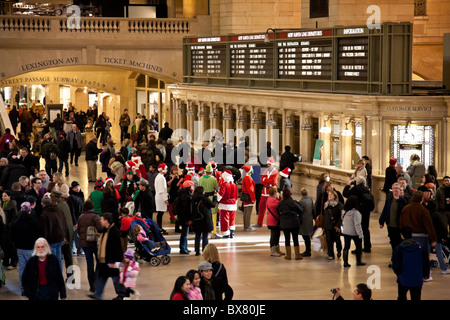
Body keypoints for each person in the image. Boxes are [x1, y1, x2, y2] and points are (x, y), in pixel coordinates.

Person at [400, 190, 437, 281]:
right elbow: (429, 226)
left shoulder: (406, 208)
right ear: (422, 199)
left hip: (409, 237)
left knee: (410, 257)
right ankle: (424, 276)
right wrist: (433, 239)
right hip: (421, 237)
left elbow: (401, 223)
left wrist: (403, 234)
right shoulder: (423, 210)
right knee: (423, 257)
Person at [88, 212, 125, 300]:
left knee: (116, 278)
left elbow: (117, 248)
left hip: (111, 260)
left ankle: (121, 294)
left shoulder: (113, 232)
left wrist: (117, 261)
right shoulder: (105, 230)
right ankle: (98, 294)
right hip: (104, 260)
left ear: (106, 221)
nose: (100, 221)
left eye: (101, 219)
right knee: (101, 277)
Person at [392, 226, 430, 301]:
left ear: (401, 235)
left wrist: (398, 273)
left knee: (402, 297)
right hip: (417, 279)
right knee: (416, 297)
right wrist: (426, 274)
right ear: (411, 234)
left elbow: (396, 264)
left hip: (403, 279)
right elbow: (426, 262)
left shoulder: (399, 248)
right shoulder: (420, 247)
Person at [11, 201, 40, 295]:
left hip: (20, 248)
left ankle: (23, 288)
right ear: (29, 210)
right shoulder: (33, 221)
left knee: (22, 268)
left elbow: (12, 235)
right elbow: (38, 234)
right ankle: (32, 288)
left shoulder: (16, 221)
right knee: (32, 268)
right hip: (31, 248)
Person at [418, 185, 449, 274]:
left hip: (428, 235)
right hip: (437, 237)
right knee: (439, 254)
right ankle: (443, 268)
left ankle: (427, 268)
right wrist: (444, 236)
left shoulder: (426, 214)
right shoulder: (437, 215)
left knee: (426, 253)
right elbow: (442, 227)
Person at [379, 183, 409, 264]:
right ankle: (394, 260)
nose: (395, 190)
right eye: (394, 188)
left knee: (399, 243)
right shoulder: (389, 200)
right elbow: (385, 211)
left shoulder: (403, 201)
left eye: (397, 188)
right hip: (390, 226)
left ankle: (398, 260)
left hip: (399, 227)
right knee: (393, 243)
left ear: (400, 191)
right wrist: (381, 221)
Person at [343, 176, 374, 253]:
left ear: (357, 182)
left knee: (358, 228)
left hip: (359, 211)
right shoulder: (367, 189)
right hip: (366, 211)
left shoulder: (356, 188)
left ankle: (358, 248)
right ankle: (367, 246)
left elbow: (345, 194)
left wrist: (348, 185)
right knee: (365, 228)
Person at [77, 199, 102, 293]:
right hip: (94, 242)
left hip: (84, 243)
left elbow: (79, 231)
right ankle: (95, 280)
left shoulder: (81, 217)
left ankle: (91, 284)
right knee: (99, 261)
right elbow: (100, 228)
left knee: (89, 263)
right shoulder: (95, 216)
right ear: (92, 207)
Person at [39, 195, 67, 268]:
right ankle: (59, 277)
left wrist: (43, 241)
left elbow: (44, 230)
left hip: (51, 239)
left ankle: (53, 277)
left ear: (43, 204)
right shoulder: (59, 211)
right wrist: (64, 236)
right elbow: (64, 223)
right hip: (60, 237)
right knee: (59, 259)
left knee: (52, 260)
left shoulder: (44, 214)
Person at [191, 186, 218, 256]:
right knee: (205, 236)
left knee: (197, 235)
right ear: (202, 192)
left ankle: (197, 251)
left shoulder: (193, 198)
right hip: (204, 219)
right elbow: (213, 205)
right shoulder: (204, 199)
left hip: (196, 219)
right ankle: (204, 250)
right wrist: (215, 197)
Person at [277, 189, 303, 260]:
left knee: (287, 239)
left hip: (285, 223)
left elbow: (278, 210)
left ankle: (288, 255)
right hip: (294, 222)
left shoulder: (281, 203)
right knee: (295, 239)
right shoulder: (294, 202)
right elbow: (300, 209)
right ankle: (297, 255)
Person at [341, 195, 365, 268]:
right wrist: (360, 234)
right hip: (354, 233)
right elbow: (357, 225)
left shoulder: (344, 211)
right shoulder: (356, 213)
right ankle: (358, 261)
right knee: (358, 247)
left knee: (346, 247)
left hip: (346, 231)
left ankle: (345, 262)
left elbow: (342, 220)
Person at [255, 157, 278, 228]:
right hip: (264, 191)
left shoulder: (275, 172)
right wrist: (268, 180)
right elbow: (262, 180)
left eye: (269, 164)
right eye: (267, 164)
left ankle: (273, 223)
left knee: (272, 208)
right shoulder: (265, 170)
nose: (268, 165)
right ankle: (259, 223)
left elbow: (273, 181)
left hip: (271, 191)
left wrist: (266, 180)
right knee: (261, 206)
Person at [199, 163, 219, 238]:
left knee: (203, 215)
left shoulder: (201, 178)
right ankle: (213, 232)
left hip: (202, 199)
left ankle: (202, 232)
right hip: (211, 198)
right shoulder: (213, 179)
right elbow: (217, 188)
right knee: (213, 216)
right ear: (212, 172)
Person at [323, 190, 343, 261]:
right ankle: (331, 255)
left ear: (334, 196)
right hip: (327, 225)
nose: (329, 196)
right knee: (329, 240)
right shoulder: (326, 205)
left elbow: (342, 216)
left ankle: (339, 251)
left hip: (335, 226)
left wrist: (338, 225)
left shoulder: (339, 205)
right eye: (329, 195)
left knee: (337, 240)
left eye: (331, 195)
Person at [218, 170, 239, 238]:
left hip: (225, 204)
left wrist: (217, 200)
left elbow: (221, 194)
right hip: (233, 203)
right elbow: (236, 195)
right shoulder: (234, 185)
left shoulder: (224, 184)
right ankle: (232, 232)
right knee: (232, 219)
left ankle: (226, 233)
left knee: (225, 219)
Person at [1, 190, 18, 270]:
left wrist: (9, 226)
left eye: (5, 196)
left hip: (9, 230)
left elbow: (15, 218)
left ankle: (13, 262)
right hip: (3, 229)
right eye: (2, 196)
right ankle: (5, 262)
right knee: (4, 246)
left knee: (11, 247)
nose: (3, 197)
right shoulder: (2, 205)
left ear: (9, 196)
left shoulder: (12, 206)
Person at [298, 188, 315, 257]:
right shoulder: (310, 199)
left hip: (304, 220)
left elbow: (300, 211)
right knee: (308, 236)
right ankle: (308, 250)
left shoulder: (301, 201)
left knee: (305, 236)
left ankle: (308, 251)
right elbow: (313, 209)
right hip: (310, 220)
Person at [155, 163, 169, 235]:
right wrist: (165, 199)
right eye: (166, 169)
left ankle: (159, 227)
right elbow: (161, 189)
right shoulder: (160, 177)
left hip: (160, 196)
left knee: (160, 213)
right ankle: (159, 228)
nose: (166, 170)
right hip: (160, 197)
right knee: (160, 213)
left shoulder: (160, 177)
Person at [240, 165, 256, 231]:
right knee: (248, 212)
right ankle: (247, 226)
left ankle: (245, 225)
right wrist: (253, 199)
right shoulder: (249, 178)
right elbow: (251, 190)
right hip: (249, 197)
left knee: (246, 211)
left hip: (245, 196)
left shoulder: (245, 177)